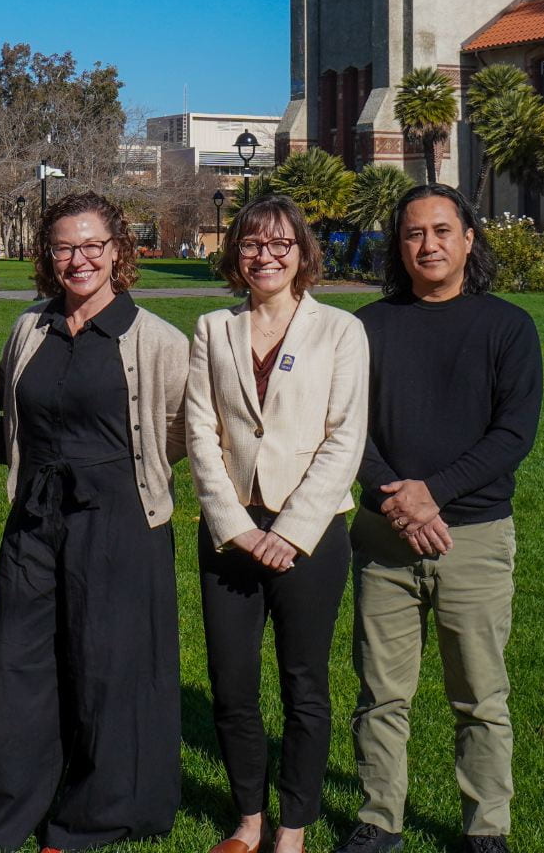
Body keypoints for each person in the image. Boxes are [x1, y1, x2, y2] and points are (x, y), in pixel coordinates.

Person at [0, 191, 189, 853]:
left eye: (92, 245)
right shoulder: (31, 328)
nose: (77, 259)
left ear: (118, 251)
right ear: (47, 255)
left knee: (109, 666)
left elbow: (179, 431)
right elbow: (9, 420)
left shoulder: (158, 341)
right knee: (19, 661)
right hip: (35, 514)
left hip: (118, 519)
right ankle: (5, 809)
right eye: (63, 247)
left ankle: (96, 815)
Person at [335, 184, 541, 853]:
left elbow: (513, 433)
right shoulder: (365, 327)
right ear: (399, 246)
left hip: (473, 537)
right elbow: (346, 427)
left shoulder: (508, 326)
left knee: (479, 695)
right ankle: (378, 820)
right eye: (414, 233)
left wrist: (434, 494)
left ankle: (486, 828)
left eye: (442, 231)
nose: (428, 244)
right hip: (382, 535)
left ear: (469, 239)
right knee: (381, 694)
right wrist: (397, 497)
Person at [184, 193, 368, 853]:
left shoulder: (341, 332)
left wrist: (289, 532)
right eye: (252, 244)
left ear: (302, 254)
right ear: (236, 254)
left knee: (303, 686)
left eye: (279, 244)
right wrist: (236, 526)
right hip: (231, 534)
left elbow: (344, 439)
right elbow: (200, 432)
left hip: (310, 538)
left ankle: (291, 828)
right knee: (232, 686)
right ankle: (249, 820)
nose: (265, 256)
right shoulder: (212, 330)